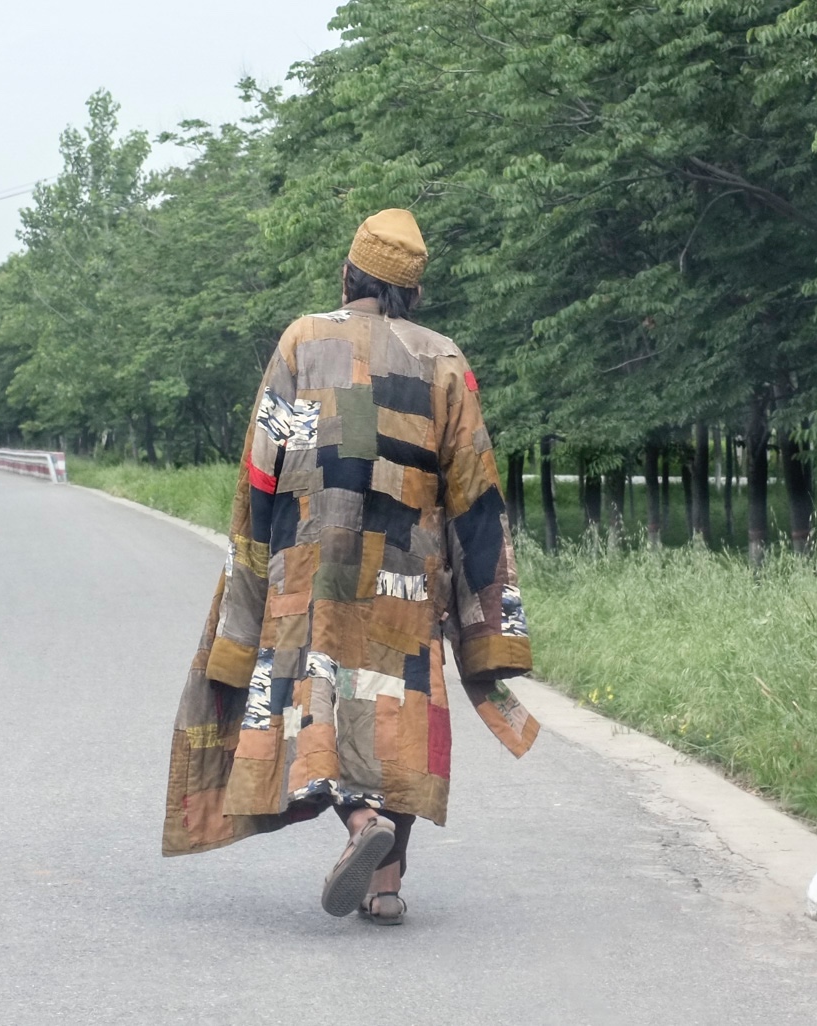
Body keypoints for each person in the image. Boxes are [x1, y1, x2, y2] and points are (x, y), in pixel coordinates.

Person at [161, 209, 539, 926]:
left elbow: (263, 464)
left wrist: (253, 559)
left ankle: (361, 825)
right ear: (412, 294)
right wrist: (487, 615)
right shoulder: (445, 362)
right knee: (397, 714)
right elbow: (475, 491)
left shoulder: (304, 340)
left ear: (349, 274)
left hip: (314, 563)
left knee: (319, 698)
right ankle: (387, 887)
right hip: (408, 573)